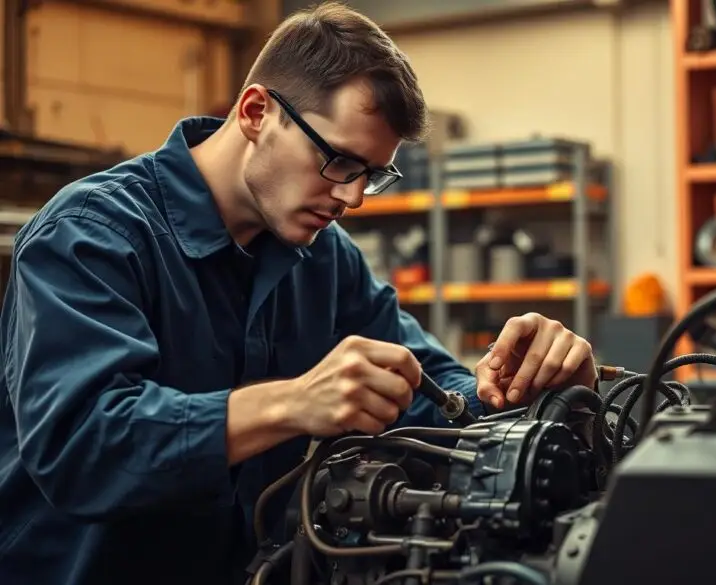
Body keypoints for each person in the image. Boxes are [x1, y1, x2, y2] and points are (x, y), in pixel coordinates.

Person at [0, 3, 599, 585]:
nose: (354, 198)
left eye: (372, 175)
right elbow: (83, 446)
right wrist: (290, 404)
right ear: (257, 112)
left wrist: (523, 386)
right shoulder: (92, 235)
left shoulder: (324, 260)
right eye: (338, 161)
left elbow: (430, 393)